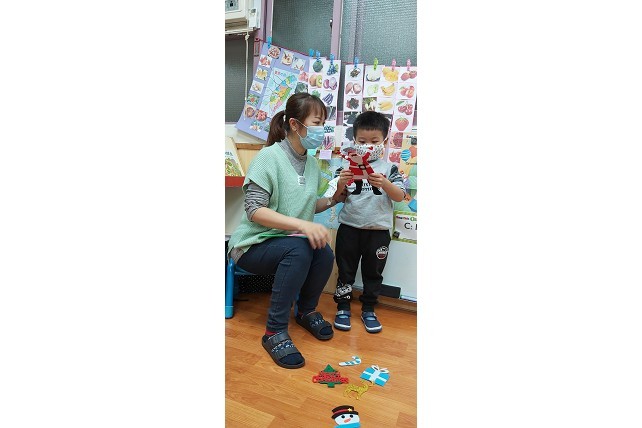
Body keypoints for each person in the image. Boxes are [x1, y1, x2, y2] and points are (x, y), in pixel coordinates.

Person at [227, 93, 344, 369]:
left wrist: (335, 198)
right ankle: (274, 331)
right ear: (295, 124)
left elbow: (307, 205)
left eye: (323, 123)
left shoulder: (311, 164)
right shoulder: (268, 157)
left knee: (324, 253)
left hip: (287, 243)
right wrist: (302, 226)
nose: (322, 129)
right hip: (252, 245)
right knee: (300, 248)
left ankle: (305, 311)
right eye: (317, 122)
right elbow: (254, 210)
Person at [326, 111, 406, 333]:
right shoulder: (345, 167)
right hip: (349, 228)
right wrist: (341, 183)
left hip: (378, 231)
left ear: (384, 142)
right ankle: (343, 307)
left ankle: (369, 309)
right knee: (345, 271)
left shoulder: (389, 169)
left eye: (374, 141)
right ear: (354, 140)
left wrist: (385, 184)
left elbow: (400, 196)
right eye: (362, 141)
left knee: (373, 273)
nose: (367, 146)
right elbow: (337, 198)